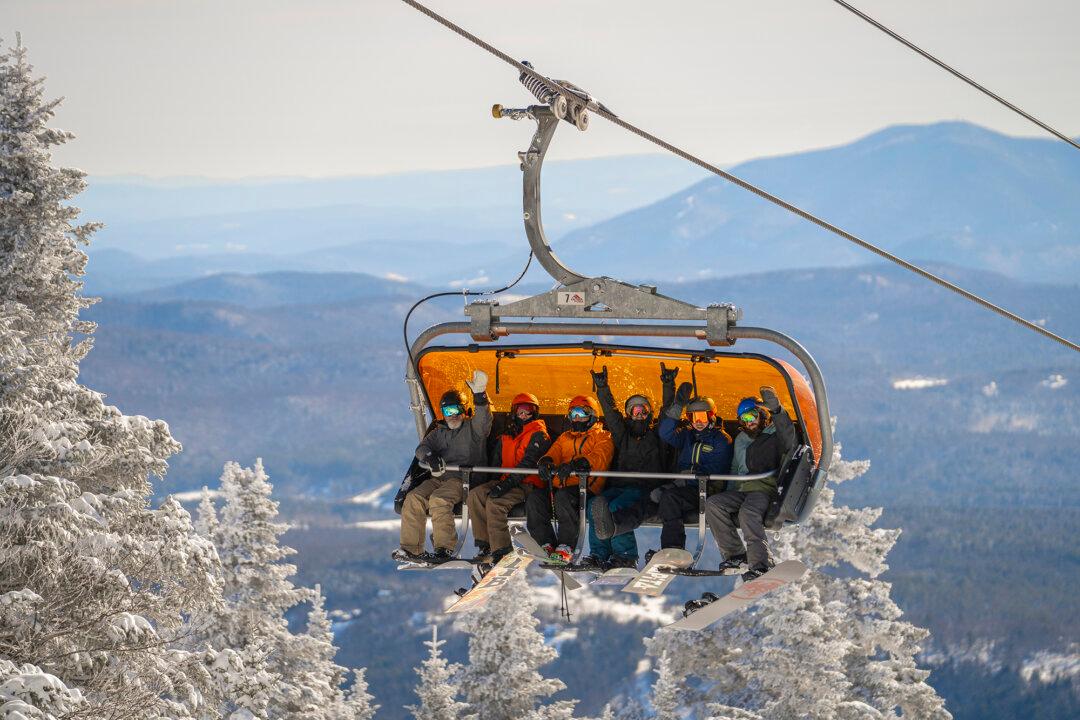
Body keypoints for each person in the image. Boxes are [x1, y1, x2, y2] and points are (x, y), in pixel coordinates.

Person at [393, 370, 492, 563]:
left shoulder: (473, 429)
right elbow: (422, 448)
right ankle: (411, 548)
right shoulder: (440, 432)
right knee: (413, 498)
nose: (452, 416)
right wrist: (430, 457)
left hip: (464, 479)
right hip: (440, 477)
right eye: (447, 412)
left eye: (456, 410)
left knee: (439, 500)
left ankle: (444, 548)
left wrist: (479, 395)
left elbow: (484, 419)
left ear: (463, 410)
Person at [705, 386, 796, 580]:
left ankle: (761, 563)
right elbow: (735, 469)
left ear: (762, 415)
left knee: (748, 513)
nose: (749, 422)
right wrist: (729, 491)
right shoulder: (740, 439)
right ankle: (736, 555)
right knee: (713, 504)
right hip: (743, 489)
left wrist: (777, 410)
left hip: (764, 490)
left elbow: (789, 439)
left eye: (753, 416)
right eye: (744, 419)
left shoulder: (774, 435)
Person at [583, 365, 668, 570]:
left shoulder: (657, 436)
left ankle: (625, 555)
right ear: (629, 413)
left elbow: (667, 414)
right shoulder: (623, 436)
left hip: (643, 489)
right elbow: (611, 416)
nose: (639, 414)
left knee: (615, 508)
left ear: (649, 413)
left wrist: (668, 385)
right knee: (595, 505)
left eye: (643, 410)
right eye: (635, 410)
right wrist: (602, 387)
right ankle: (599, 554)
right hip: (619, 485)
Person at [524, 395, 614, 563]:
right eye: (573, 414)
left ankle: (566, 546)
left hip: (585, 488)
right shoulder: (565, 437)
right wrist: (546, 461)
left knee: (564, 498)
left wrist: (576, 464)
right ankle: (545, 543)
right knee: (535, 499)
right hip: (560, 485)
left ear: (593, 415)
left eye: (582, 413)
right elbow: (555, 452)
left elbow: (600, 457)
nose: (577, 418)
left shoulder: (602, 436)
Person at [467, 392, 551, 563]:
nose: (524, 415)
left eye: (529, 411)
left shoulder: (539, 434)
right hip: (507, 481)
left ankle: (502, 550)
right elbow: (496, 465)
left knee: (495, 503)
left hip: (527, 484)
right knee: (475, 495)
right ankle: (485, 545)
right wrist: (492, 484)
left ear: (535, 413)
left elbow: (527, 465)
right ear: (514, 413)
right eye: (520, 411)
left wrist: (503, 487)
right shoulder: (507, 435)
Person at [650, 381, 734, 552]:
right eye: (693, 417)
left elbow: (717, 468)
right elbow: (665, 433)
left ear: (712, 416)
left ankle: (673, 547)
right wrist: (678, 405)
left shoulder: (721, 440)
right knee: (654, 495)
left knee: (669, 498)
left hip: (705, 489)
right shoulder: (688, 435)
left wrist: (690, 475)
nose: (698, 422)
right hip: (685, 486)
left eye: (702, 417)